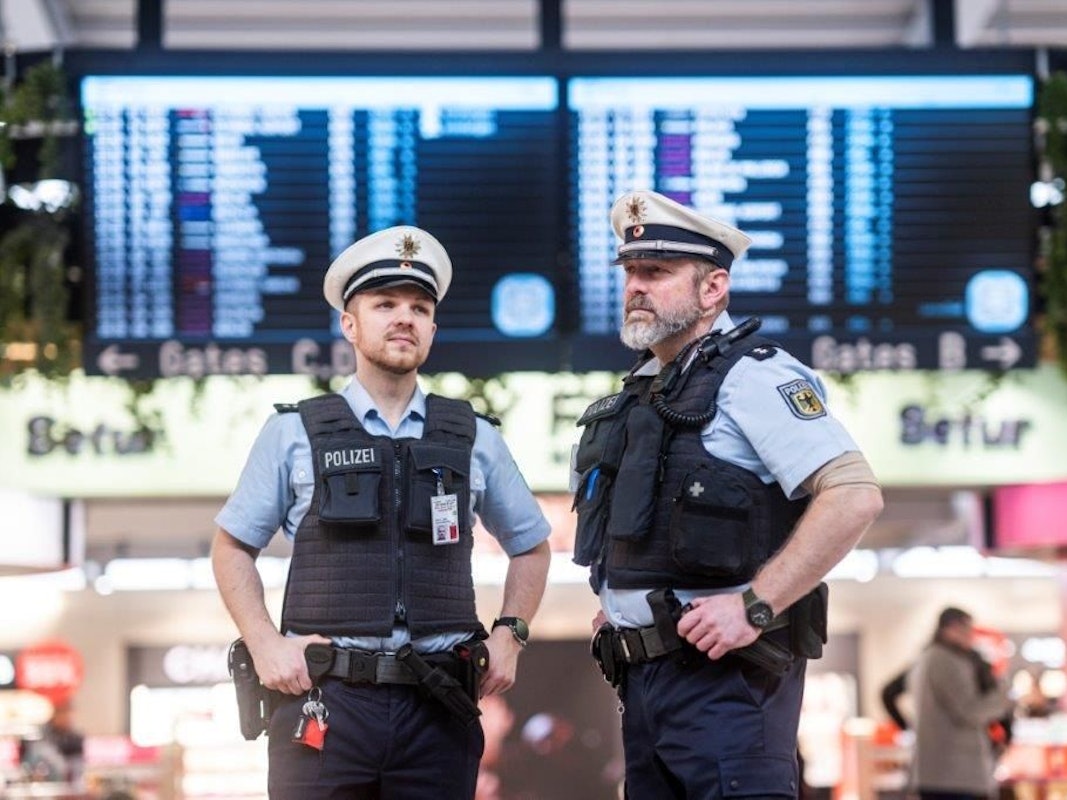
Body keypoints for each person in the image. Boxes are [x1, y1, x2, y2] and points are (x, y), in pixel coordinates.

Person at [212, 224, 552, 799]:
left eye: (420, 308)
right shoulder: (293, 432)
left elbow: (532, 547)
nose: (405, 318)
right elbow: (231, 547)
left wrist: (511, 634)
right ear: (350, 323)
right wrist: (265, 642)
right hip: (325, 703)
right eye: (385, 304)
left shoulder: (473, 437)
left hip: (437, 705)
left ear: (433, 329)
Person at [572, 189, 884, 798]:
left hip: (727, 687)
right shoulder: (639, 393)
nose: (636, 285)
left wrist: (756, 605)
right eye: (631, 272)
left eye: (657, 273)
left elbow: (853, 494)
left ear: (713, 288)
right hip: (644, 682)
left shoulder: (755, 375)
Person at [908, 607, 1014, 800]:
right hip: (953, 775)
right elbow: (969, 711)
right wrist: (1002, 698)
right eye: (968, 629)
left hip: (943, 773)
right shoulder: (943, 660)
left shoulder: (929, 658)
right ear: (951, 628)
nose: (971, 636)